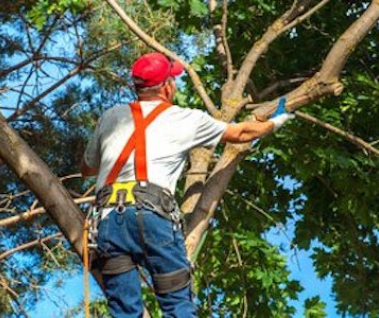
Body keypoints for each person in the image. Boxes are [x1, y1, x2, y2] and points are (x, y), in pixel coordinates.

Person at [81, 52, 294, 317]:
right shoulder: (186, 118)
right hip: (152, 218)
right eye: (174, 80)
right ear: (167, 86)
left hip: (110, 223)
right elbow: (241, 133)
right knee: (178, 308)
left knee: (125, 312)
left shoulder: (111, 116)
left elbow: (87, 168)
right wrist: (276, 121)